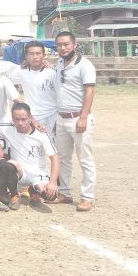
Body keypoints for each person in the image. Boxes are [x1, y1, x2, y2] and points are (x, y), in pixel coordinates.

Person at [52, 31, 96, 212]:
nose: (63, 48)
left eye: (66, 44)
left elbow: (89, 92)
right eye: (59, 45)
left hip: (78, 118)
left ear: (74, 44)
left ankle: (87, 197)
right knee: (63, 158)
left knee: (85, 159)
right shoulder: (59, 63)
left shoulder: (85, 65)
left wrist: (83, 117)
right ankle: (65, 193)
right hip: (61, 118)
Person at [0, 103, 59, 210]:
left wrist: (52, 182)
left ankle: (34, 191)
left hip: (38, 174)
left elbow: (54, 158)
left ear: (30, 118)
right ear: (12, 118)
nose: (20, 123)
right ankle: (15, 195)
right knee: (9, 164)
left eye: (24, 119)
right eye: (16, 119)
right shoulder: (7, 128)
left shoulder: (41, 134)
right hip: (19, 172)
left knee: (51, 196)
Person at [19, 41, 58, 135]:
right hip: (31, 117)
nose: (35, 57)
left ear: (44, 55)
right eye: (31, 54)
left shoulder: (53, 73)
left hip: (51, 116)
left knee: (52, 147)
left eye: (38, 53)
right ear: (26, 56)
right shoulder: (21, 72)